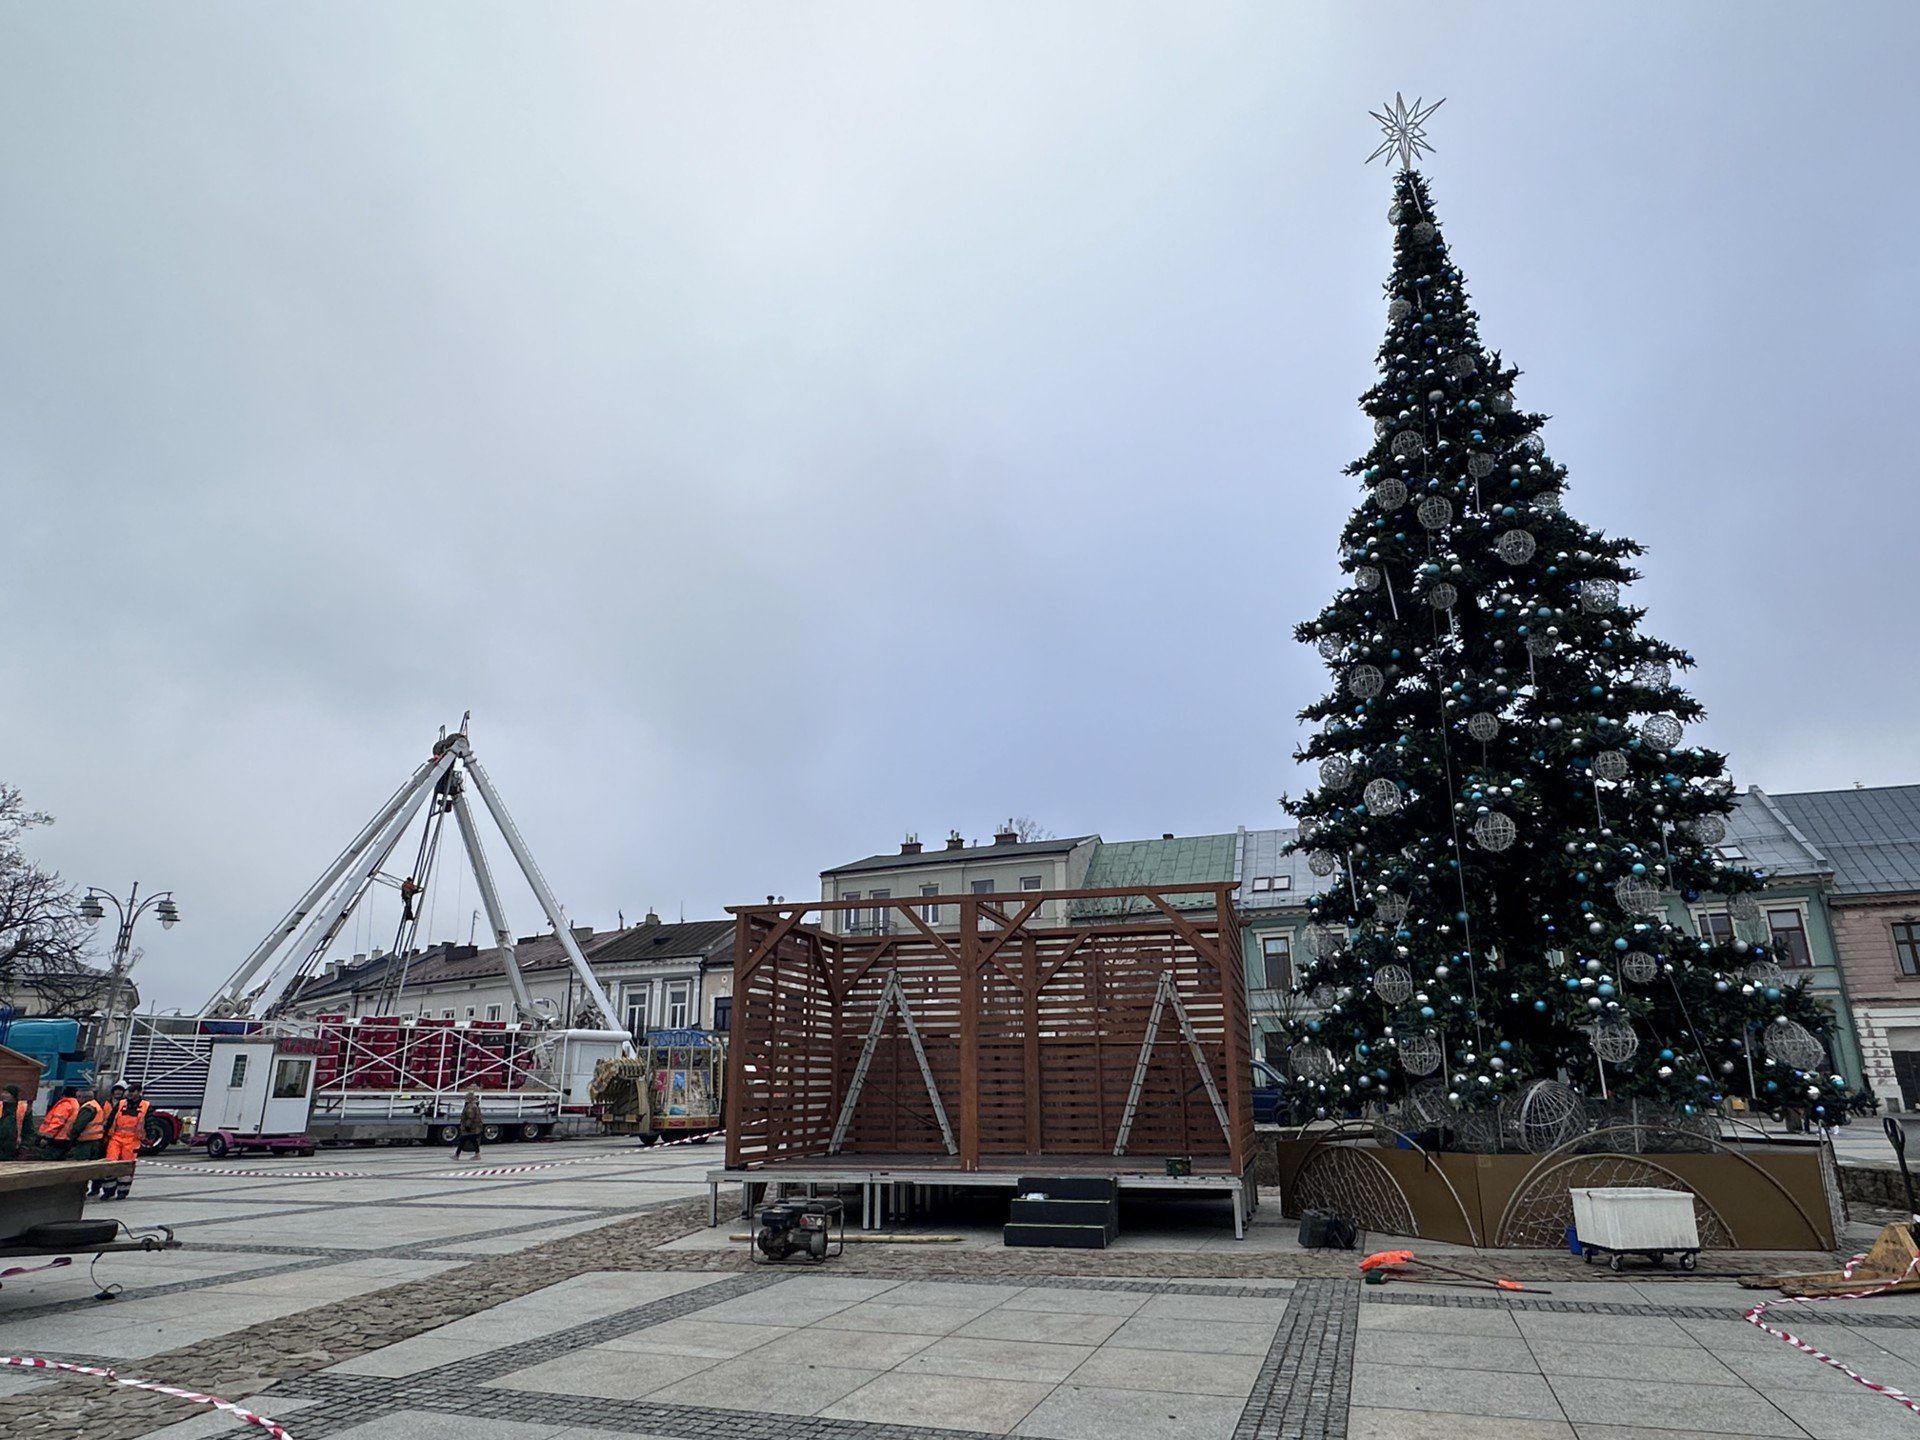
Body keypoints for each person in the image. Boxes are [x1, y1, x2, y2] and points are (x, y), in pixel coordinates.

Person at [102, 1081, 150, 1199]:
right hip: (116, 1138)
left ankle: (122, 1191)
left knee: (126, 1167)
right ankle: (108, 1191)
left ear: (139, 1092)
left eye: (132, 1091)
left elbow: (149, 1123)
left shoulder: (146, 1106)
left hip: (132, 1141)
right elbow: (111, 1120)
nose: (129, 1094)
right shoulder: (121, 1104)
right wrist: (105, 1135)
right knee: (110, 1163)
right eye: (128, 1091)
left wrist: (149, 1138)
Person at [39, 1085, 80, 1160]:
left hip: (58, 1139)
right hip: (66, 1138)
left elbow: (57, 1122)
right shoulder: (75, 1104)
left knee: (48, 1161)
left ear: (63, 1094)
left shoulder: (65, 1105)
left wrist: (46, 1137)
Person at [0, 1084, 32, 1161]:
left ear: (13, 1096)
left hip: (13, 1149)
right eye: (3, 1092)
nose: (3, 1095)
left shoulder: (23, 1109)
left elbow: (29, 1131)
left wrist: (24, 1148)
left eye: (7, 1093)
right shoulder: (1, 1106)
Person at [453, 1091, 484, 1160]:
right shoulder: (475, 1105)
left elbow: (470, 1117)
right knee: (473, 1141)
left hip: (470, 1128)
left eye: (467, 1098)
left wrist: (467, 1126)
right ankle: (477, 1155)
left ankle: (457, 1155)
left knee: (462, 1140)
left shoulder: (470, 1106)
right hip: (474, 1128)